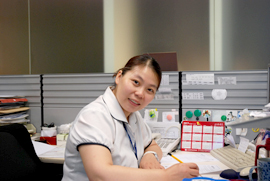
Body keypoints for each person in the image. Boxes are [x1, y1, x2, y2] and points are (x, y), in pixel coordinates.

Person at [62, 55, 199, 181]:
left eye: (150, 90)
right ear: (119, 76)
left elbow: (151, 144)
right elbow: (99, 174)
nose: (140, 94)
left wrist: (149, 155)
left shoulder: (133, 115)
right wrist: (165, 176)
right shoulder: (95, 115)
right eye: (136, 82)